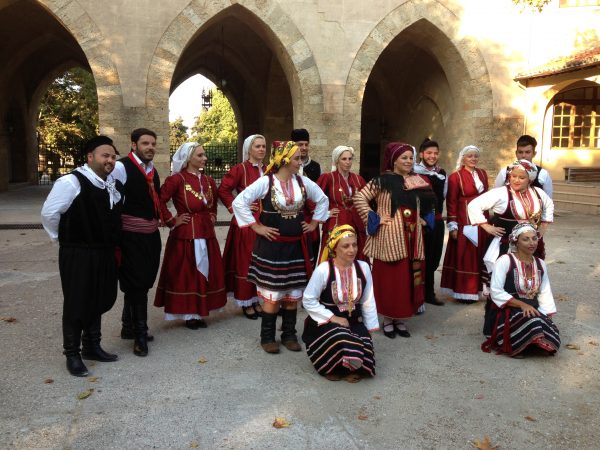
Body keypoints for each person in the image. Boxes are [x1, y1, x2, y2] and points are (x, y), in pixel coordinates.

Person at [232, 141, 329, 354]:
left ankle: (289, 334)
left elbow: (323, 200)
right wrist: (257, 227)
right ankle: (267, 336)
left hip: (296, 248)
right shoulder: (265, 182)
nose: (300, 161)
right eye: (296, 158)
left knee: (292, 294)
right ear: (284, 160)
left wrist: (313, 223)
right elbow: (239, 202)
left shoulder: (303, 182)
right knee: (273, 295)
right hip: (272, 250)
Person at [41, 136, 123, 377]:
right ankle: (72, 354)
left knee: (98, 297)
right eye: (104, 155)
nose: (109, 160)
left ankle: (91, 346)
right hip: (78, 252)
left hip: (103, 251)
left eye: (112, 156)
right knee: (77, 301)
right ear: (90, 157)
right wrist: (63, 238)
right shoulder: (72, 181)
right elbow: (50, 213)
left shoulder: (112, 183)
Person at [354, 142, 436, 338]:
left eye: (410, 158)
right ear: (393, 161)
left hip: (412, 236)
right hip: (390, 237)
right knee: (390, 279)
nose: (408, 161)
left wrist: (425, 219)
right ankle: (388, 319)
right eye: (404, 158)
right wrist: (376, 218)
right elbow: (359, 198)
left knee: (408, 278)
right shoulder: (381, 181)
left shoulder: (418, 181)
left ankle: (401, 318)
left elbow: (430, 203)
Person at [153, 142, 226, 328]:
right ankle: (189, 314)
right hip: (185, 234)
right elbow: (160, 201)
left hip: (206, 231)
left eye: (204, 155)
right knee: (187, 273)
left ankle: (201, 310)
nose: (204, 158)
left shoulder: (208, 180)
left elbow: (213, 202)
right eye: (200, 155)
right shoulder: (176, 179)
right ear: (188, 158)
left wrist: (212, 215)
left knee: (207, 269)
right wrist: (171, 220)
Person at [302, 225, 378, 381]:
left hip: (354, 321)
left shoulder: (363, 267)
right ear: (335, 248)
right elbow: (308, 299)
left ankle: (347, 366)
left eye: (354, 245)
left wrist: (369, 328)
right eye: (346, 246)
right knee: (340, 336)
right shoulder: (324, 270)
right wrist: (333, 318)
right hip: (325, 324)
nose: (352, 250)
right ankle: (333, 368)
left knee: (365, 349)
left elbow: (368, 300)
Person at [111, 128, 162, 357]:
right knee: (137, 284)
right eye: (145, 143)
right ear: (134, 145)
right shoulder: (121, 167)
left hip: (150, 236)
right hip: (130, 236)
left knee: (143, 281)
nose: (150, 147)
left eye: (153, 143)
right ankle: (140, 335)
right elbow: (111, 200)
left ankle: (127, 326)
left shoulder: (153, 171)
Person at [481, 223, 560, 357]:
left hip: (532, 309)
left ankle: (531, 342)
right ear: (516, 242)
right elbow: (496, 291)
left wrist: (547, 316)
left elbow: (545, 291)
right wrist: (522, 305)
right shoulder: (505, 260)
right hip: (507, 310)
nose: (532, 243)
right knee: (533, 322)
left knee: (551, 332)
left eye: (534, 238)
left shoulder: (540, 263)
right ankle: (519, 345)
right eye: (526, 239)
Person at [468, 159, 554, 277]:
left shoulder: (537, 192)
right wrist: (486, 226)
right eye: (513, 176)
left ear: (530, 179)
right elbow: (474, 205)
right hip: (505, 244)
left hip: (529, 243)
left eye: (521, 177)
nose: (516, 180)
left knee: (529, 275)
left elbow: (549, 204)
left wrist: (544, 226)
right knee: (505, 276)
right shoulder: (501, 193)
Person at [218, 134, 266, 319]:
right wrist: (236, 207)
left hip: (265, 221)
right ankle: (246, 300)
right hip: (246, 222)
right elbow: (223, 189)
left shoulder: (269, 170)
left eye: (263, 146)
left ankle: (256, 298)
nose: (261, 149)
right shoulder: (240, 169)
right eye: (257, 146)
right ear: (249, 149)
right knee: (246, 261)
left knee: (260, 261)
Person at [440, 145, 489, 303]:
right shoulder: (455, 177)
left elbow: (487, 196)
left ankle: (478, 289)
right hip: (464, 219)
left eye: (475, 156)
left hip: (481, 218)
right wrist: (453, 224)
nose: (473, 159)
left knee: (480, 252)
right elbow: (452, 202)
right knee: (466, 254)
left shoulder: (482, 173)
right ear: (463, 158)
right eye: (470, 156)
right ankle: (464, 291)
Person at [316, 145, 367, 260]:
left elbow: (367, 200)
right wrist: (326, 213)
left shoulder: (358, 179)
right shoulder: (328, 178)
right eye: (344, 159)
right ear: (337, 160)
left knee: (356, 256)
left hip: (356, 224)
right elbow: (314, 199)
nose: (348, 162)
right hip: (336, 223)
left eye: (350, 159)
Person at [413, 138, 447, 306]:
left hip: (438, 220)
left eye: (435, 153)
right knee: (420, 257)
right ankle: (417, 294)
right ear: (421, 154)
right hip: (421, 221)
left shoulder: (442, 173)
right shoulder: (414, 171)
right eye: (429, 153)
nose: (432, 156)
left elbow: (443, 196)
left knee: (434, 258)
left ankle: (429, 293)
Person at [292, 128, 322, 265]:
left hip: (310, 218)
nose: (304, 148)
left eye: (306, 144)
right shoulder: (286, 165)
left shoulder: (315, 166)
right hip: (291, 216)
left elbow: (319, 194)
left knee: (312, 255)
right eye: (300, 144)